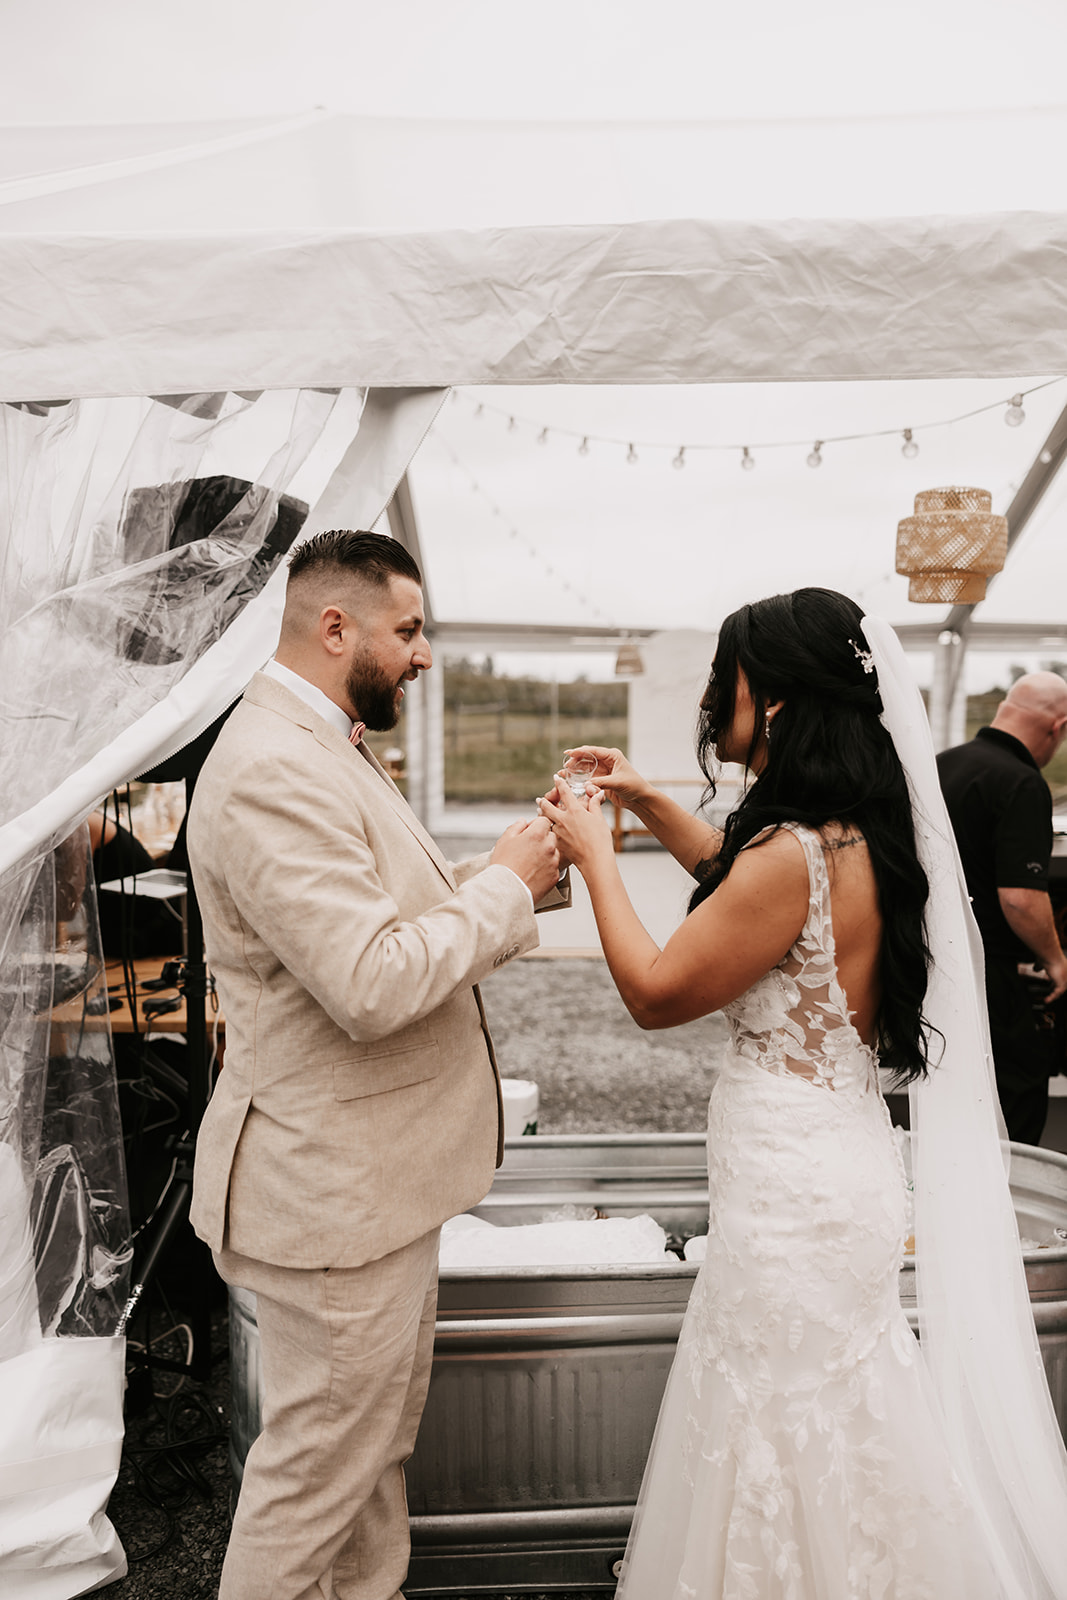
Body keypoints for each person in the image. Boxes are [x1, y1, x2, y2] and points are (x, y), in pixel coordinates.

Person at [539, 588, 1067, 1600]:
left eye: (720, 681)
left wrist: (594, 853)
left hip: (791, 1190)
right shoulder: (853, 836)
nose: (706, 702)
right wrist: (648, 801)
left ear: (773, 702)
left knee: (776, 1417)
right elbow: (743, 900)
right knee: (839, 1409)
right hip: (840, 1162)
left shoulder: (788, 856)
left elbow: (656, 990)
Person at [187, 530, 560, 1600]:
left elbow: (381, 900)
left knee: (368, 1459)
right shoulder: (269, 767)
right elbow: (370, 979)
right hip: (329, 1196)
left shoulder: (325, 743)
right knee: (314, 1479)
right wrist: (501, 890)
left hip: (369, 1189)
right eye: (409, 629)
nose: (425, 653)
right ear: (333, 626)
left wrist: (519, 870)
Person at [937, 673, 1067, 1144]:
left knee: (953, 1098)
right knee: (1016, 1097)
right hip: (990, 974)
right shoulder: (1022, 783)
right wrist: (1055, 959)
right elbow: (1019, 898)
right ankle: (1008, 1212)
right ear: (1059, 727)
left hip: (931, 965)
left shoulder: (940, 765)